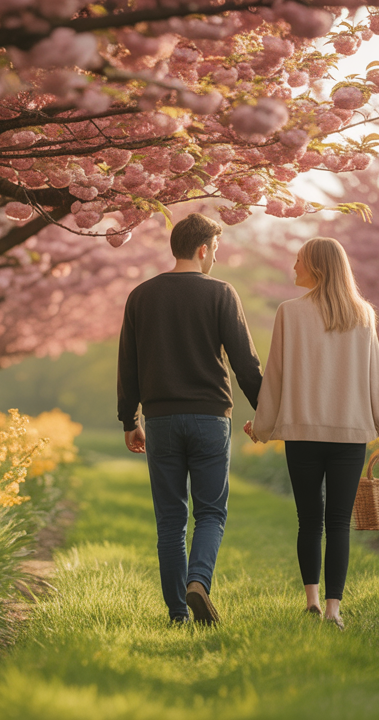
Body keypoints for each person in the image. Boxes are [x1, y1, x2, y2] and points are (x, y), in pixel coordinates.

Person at [117, 213, 263, 625]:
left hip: (160, 419)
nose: (215, 257)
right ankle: (198, 581)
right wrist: (268, 412)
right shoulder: (221, 293)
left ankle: (178, 614)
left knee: (170, 521)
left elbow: (127, 364)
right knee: (211, 513)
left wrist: (129, 420)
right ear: (203, 249)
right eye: (215, 249)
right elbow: (245, 364)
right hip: (210, 418)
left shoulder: (141, 295)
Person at [245, 237, 379, 631]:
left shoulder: (289, 313)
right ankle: (333, 609)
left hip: (302, 433)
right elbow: (375, 377)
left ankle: (311, 600)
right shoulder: (363, 314)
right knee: (338, 523)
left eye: (299, 262)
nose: (293, 268)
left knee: (309, 519)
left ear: (318, 268)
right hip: (351, 435)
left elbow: (274, 376)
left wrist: (261, 427)